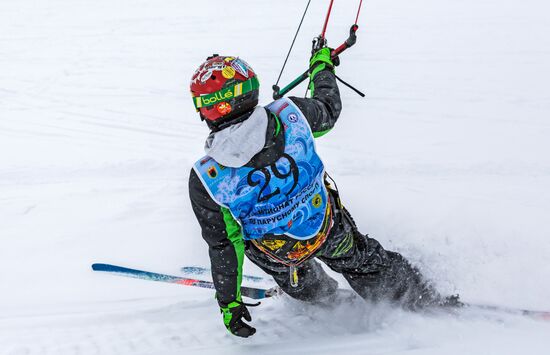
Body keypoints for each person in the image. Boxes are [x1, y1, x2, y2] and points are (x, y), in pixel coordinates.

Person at [188, 50, 457, 338]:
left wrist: (230, 303)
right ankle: (419, 299)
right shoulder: (291, 114)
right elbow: (328, 107)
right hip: (325, 228)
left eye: (200, 105)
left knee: (298, 280)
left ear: (216, 109)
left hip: (277, 253)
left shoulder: (207, 177)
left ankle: (322, 297)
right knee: (362, 260)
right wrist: (321, 67)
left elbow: (225, 246)